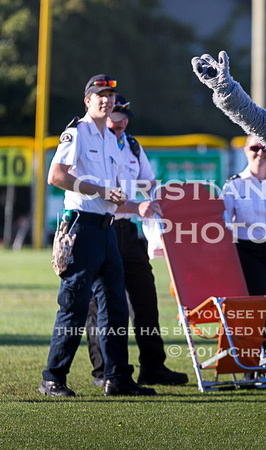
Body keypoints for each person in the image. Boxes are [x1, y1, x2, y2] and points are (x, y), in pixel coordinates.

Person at [41, 74, 156, 397]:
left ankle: (117, 377)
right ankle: (53, 377)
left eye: (110, 95)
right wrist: (101, 190)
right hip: (81, 227)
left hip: (106, 229)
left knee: (116, 306)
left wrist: (120, 199)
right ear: (87, 100)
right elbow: (56, 176)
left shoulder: (111, 138)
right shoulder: (76, 132)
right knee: (74, 304)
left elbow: (113, 192)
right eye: (99, 94)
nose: (106, 99)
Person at [85, 94, 189, 387]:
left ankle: (153, 366)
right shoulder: (94, 145)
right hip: (101, 227)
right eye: (117, 115)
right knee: (100, 303)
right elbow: (99, 196)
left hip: (129, 233)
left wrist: (160, 206)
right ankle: (104, 370)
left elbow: (149, 184)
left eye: (125, 116)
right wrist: (137, 207)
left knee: (145, 298)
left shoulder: (131, 144)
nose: (122, 121)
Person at [222, 134, 266, 385]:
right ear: (245, 150)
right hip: (246, 250)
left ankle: (265, 366)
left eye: (264, 148)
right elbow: (223, 223)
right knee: (257, 309)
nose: (259, 152)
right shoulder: (233, 186)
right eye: (254, 147)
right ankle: (256, 367)